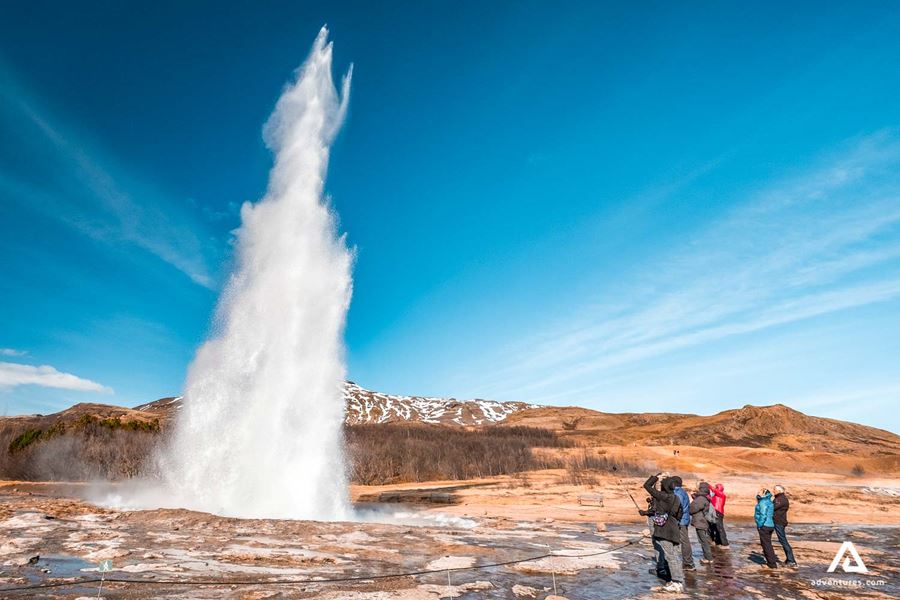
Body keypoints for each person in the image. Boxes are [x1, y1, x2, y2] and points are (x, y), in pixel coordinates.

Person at [644, 473, 684, 593]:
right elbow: (679, 514)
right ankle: (676, 581)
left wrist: (655, 477)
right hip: (675, 529)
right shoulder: (676, 497)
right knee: (674, 556)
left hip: (665, 531)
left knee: (670, 557)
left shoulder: (663, 496)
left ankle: (677, 582)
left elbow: (647, 485)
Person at [671, 476, 694, 571]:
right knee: (682, 541)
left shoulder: (678, 493)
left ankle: (688, 563)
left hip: (680, 520)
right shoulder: (682, 491)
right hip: (684, 519)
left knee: (684, 541)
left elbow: (677, 507)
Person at [773, 484, 798, 567]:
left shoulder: (781, 499)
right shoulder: (780, 498)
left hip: (779, 522)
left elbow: (772, 508)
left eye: (775, 490)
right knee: (783, 540)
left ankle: (791, 560)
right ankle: (789, 560)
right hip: (778, 522)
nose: (773, 491)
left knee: (783, 541)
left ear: (780, 491)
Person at [689, 482, 714, 564]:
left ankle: (708, 558)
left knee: (703, 541)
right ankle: (708, 557)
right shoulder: (704, 497)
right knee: (703, 540)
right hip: (703, 521)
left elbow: (693, 508)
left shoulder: (700, 499)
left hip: (700, 522)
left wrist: (689, 509)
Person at [755, 488, 778, 568]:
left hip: (764, 525)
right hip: (770, 525)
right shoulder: (769, 501)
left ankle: (771, 564)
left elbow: (763, 515)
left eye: (759, 492)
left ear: (764, 494)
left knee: (766, 545)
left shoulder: (763, 502)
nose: (758, 493)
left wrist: (759, 525)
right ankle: (772, 562)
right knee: (768, 544)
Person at [708, 483, 729, 547]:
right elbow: (710, 499)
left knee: (719, 528)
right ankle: (717, 541)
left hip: (718, 512)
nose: (715, 488)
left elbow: (714, 490)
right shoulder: (715, 496)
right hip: (714, 512)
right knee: (713, 527)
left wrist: (709, 485)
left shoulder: (722, 495)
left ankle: (725, 544)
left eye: (716, 487)